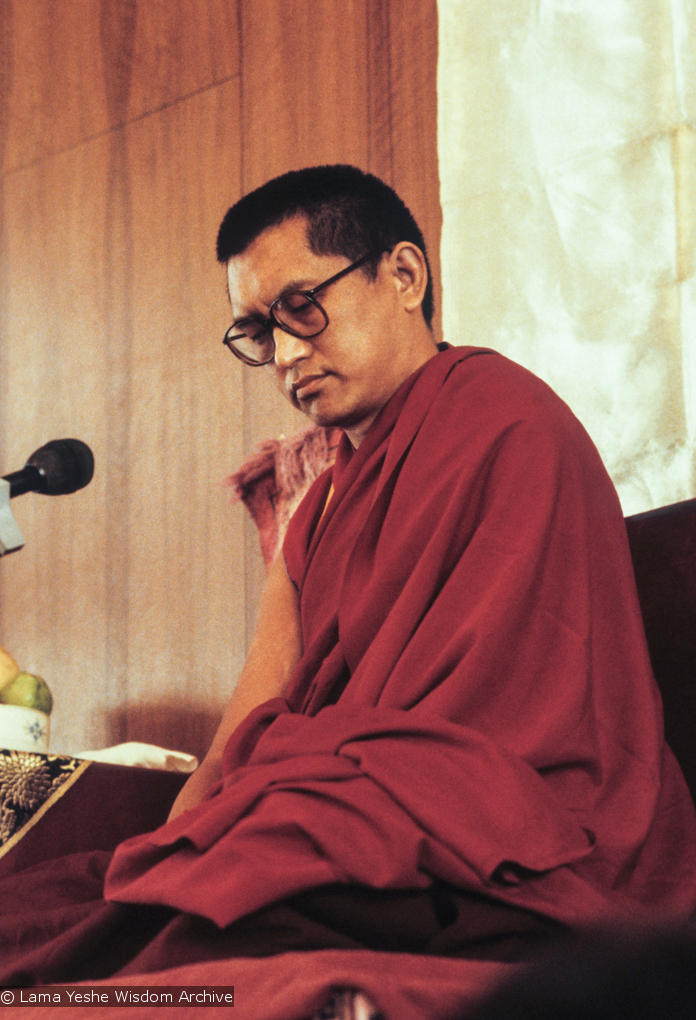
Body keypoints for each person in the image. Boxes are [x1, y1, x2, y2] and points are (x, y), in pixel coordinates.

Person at [0, 165, 694, 997]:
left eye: (303, 306)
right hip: (353, 813)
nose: (286, 352)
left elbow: (506, 727)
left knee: (272, 856)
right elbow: (245, 730)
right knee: (49, 901)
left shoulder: (507, 420)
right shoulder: (319, 508)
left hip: (509, 829)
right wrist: (164, 861)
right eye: (258, 331)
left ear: (404, 275)